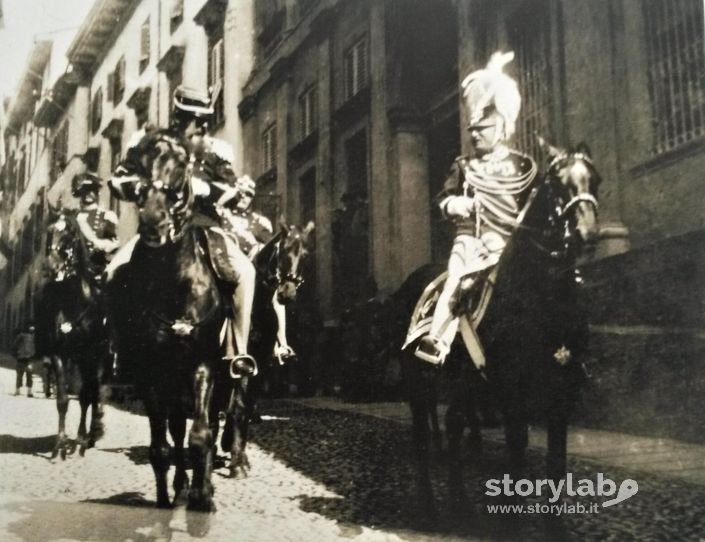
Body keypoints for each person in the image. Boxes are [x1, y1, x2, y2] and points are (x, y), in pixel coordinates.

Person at [107, 86, 257, 375]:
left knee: (246, 274)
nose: (202, 126)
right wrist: (142, 188)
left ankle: (236, 354)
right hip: (160, 229)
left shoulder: (214, 152)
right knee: (113, 273)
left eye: (204, 120)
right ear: (178, 117)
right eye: (194, 119)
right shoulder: (151, 145)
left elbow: (231, 189)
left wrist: (214, 190)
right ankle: (119, 349)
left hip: (205, 228)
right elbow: (118, 179)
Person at [415, 51, 537, 366]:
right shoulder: (463, 165)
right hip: (470, 240)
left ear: (502, 128)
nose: (475, 134)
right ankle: (437, 341)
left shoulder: (522, 165)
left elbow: (531, 203)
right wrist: (458, 203)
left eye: (483, 128)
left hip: (508, 240)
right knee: (455, 280)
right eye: (473, 129)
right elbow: (442, 200)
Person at [218, 174, 295, 362]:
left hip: (253, 270)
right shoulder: (223, 215)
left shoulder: (257, 221)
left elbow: (270, 244)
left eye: (249, 195)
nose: (245, 198)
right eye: (242, 194)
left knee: (276, 296)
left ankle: (282, 344)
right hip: (228, 267)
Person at [72, 172, 120, 280]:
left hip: (100, 272)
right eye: (85, 190)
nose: (88, 194)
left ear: (97, 192)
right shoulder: (74, 218)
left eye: (92, 189)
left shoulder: (107, 216)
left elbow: (115, 242)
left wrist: (103, 245)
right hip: (77, 275)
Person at [13, 323, 36, 397]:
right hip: (24, 357)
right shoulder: (22, 336)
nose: (32, 330)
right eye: (31, 329)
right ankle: (20, 390)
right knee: (23, 374)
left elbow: (15, 345)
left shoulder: (30, 337)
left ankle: (24, 390)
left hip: (26, 358)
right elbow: (16, 345)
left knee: (24, 374)